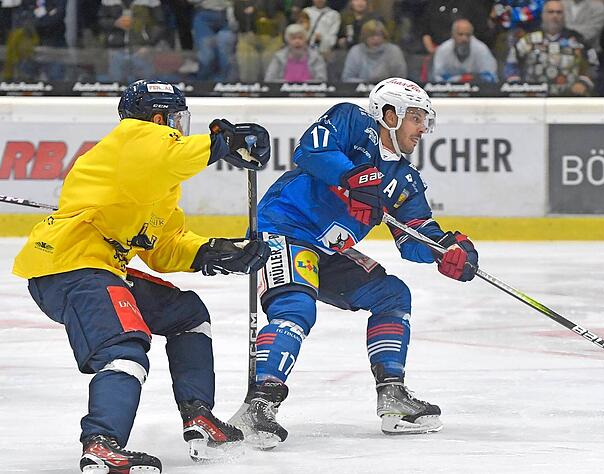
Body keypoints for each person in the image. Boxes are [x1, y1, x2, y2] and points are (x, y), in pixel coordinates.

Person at [12, 80, 273, 473]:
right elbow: (173, 153)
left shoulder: (156, 180)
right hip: (71, 266)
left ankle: (198, 415)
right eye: (176, 119)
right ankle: (102, 443)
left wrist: (213, 251)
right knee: (123, 349)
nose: (179, 127)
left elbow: (164, 246)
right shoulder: (134, 139)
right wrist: (220, 144)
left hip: (98, 266)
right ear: (157, 118)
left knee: (187, 314)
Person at [232, 77, 479, 448]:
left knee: (392, 295)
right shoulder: (351, 122)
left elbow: (414, 235)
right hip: (286, 229)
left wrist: (443, 248)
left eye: (424, 119)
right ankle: (259, 405)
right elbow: (310, 152)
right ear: (389, 114)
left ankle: (392, 396)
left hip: (332, 249)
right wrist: (352, 176)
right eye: (415, 117)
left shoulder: (406, 179)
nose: (422, 128)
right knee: (296, 308)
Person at [504, 0, 598, 96]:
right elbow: (511, 63)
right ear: (543, 15)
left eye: (559, 12)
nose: (555, 16)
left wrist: (583, 82)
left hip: (569, 98)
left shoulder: (578, 41)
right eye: (550, 12)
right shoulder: (528, 39)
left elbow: (593, 65)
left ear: (564, 16)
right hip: (534, 99)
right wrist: (516, 85)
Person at [432, 17, 499, 82]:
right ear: (453, 35)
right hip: (449, 91)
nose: (464, 39)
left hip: (478, 90)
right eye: (460, 34)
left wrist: (474, 78)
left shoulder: (481, 49)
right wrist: (460, 79)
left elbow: (492, 77)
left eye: (468, 35)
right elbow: (437, 77)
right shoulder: (443, 50)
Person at [341, 19, 407, 82]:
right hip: (360, 91)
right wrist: (367, 85)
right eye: (371, 35)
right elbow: (347, 78)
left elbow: (400, 79)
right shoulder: (355, 51)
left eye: (379, 35)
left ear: (384, 36)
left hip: (388, 91)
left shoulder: (394, 51)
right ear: (364, 37)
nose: (375, 38)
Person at [264, 22, 328, 82]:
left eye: (300, 38)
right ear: (287, 40)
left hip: (309, 93)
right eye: (293, 38)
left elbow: (322, 80)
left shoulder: (316, 57)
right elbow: (269, 80)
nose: (297, 41)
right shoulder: (278, 57)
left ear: (305, 40)